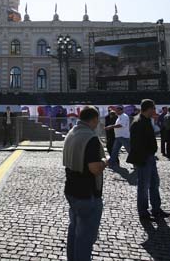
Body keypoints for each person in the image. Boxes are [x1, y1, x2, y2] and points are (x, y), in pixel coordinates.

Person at [63, 106, 108, 261]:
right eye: (97, 121)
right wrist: (104, 162)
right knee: (85, 238)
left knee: (74, 231)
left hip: (71, 190)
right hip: (87, 194)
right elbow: (94, 168)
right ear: (94, 119)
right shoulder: (91, 138)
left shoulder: (71, 133)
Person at [127, 99, 170, 221]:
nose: (155, 111)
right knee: (143, 186)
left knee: (154, 183)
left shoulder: (145, 120)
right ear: (149, 108)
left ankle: (156, 209)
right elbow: (135, 144)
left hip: (150, 157)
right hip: (144, 159)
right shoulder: (138, 122)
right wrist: (142, 158)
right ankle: (143, 212)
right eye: (153, 108)